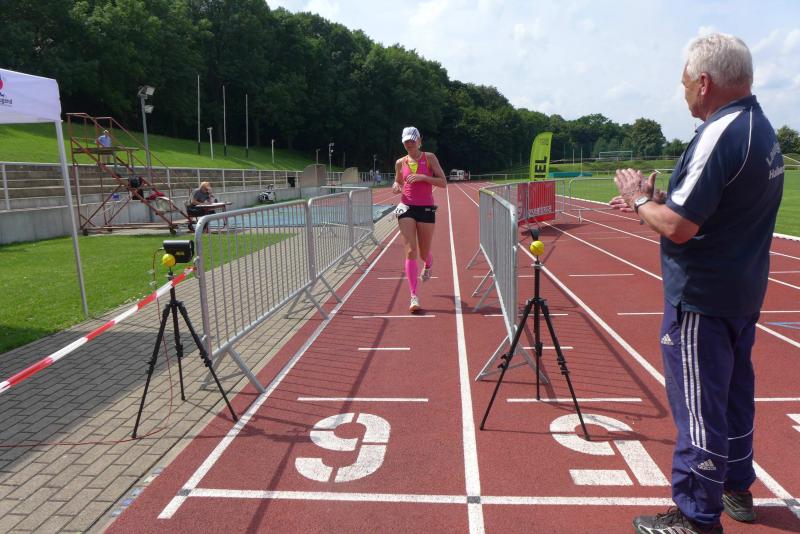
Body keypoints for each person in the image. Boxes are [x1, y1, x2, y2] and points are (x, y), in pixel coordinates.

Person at [610, 33, 784, 534]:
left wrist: (640, 200)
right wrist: (655, 200)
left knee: (699, 406)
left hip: (702, 297)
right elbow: (715, 205)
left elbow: (679, 228)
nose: (683, 90)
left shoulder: (719, 133)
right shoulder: (759, 128)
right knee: (733, 395)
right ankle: (736, 487)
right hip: (741, 291)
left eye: (685, 82)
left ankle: (695, 517)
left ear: (704, 82)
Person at [392, 126, 447, 313]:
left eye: (412, 140)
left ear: (419, 141)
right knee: (410, 251)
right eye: (406, 141)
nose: (409, 144)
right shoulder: (400, 162)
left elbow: (443, 182)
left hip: (425, 208)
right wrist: (396, 186)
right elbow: (398, 180)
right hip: (406, 207)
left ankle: (428, 263)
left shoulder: (429, 158)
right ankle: (413, 296)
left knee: (423, 253)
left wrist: (424, 177)